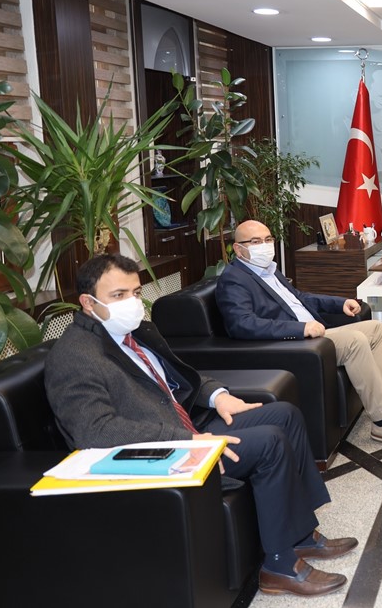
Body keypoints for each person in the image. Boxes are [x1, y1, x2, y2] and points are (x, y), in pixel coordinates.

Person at [44, 254, 357, 598]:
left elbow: (181, 376)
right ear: (88, 302)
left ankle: (300, 535)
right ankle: (279, 567)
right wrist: (186, 441)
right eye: (118, 295)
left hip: (187, 427)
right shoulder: (75, 355)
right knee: (269, 441)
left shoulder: (138, 332)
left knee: (284, 414)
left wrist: (217, 396)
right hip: (161, 452)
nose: (131, 303)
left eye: (135, 293)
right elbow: (95, 431)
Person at [216, 220, 382, 448]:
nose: (264, 245)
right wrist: (300, 329)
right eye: (255, 242)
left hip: (316, 334)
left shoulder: (269, 270)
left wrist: (339, 303)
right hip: (294, 344)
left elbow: (300, 299)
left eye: (268, 239)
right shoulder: (234, 279)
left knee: (376, 329)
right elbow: (241, 324)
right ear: (238, 249)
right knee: (355, 341)